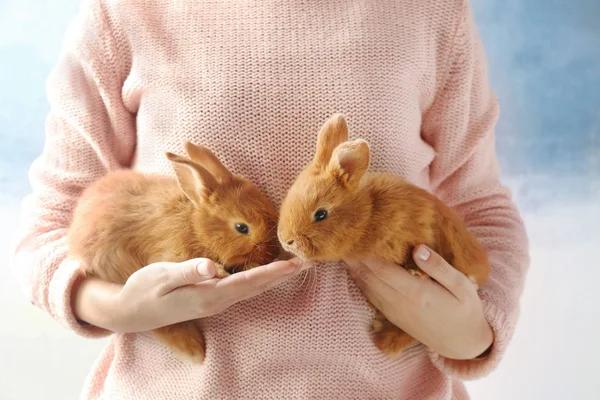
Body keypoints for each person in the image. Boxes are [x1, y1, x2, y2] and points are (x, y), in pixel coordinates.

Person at [11, 0, 530, 398]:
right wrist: (117, 308)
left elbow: (481, 209)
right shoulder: (125, 13)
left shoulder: (431, 14)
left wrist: (472, 334)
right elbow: (52, 219)